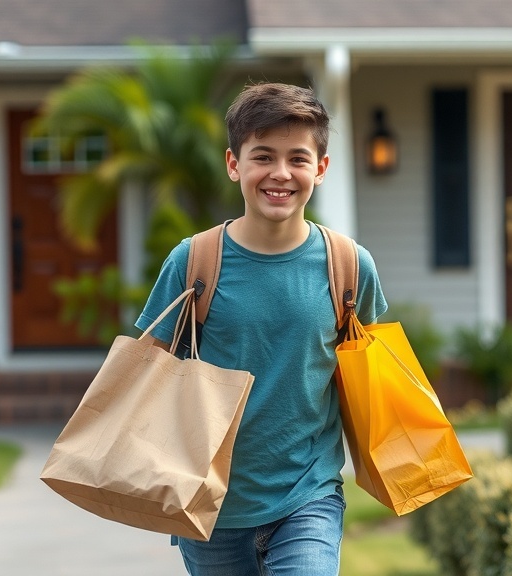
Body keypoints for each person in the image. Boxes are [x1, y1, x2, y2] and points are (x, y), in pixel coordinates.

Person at [135, 82, 387, 576]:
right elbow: (150, 372)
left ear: (321, 168)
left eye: (297, 158)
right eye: (263, 156)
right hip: (209, 504)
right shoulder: (195, 261)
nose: (280, 173)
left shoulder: (349, 265)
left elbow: (373, 373)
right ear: (234, 164)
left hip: (308, 496)